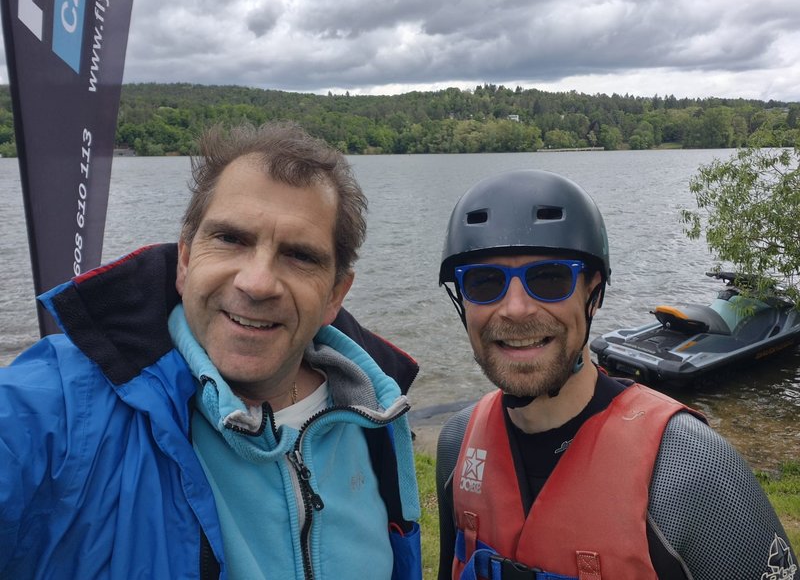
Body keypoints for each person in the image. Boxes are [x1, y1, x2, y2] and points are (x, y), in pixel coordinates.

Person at [0, 122, 422, 579]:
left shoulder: (375, 412)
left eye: (300, 256)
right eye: (230, 239)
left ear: (336, 295)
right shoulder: (66, 405)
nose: (257, 283)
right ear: (185, 260)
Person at [435, 169, 797, 580]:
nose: (516, 309)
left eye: (550, 278)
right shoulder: (457, 443)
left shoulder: (693, 467)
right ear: (462, 301)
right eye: (484, 282)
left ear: (594, 294)